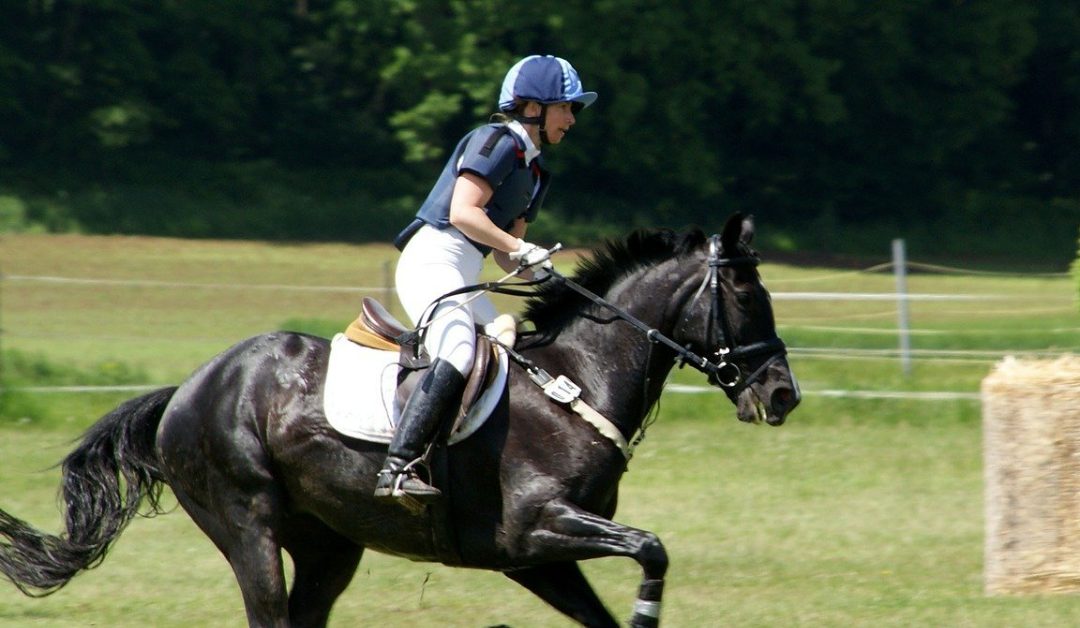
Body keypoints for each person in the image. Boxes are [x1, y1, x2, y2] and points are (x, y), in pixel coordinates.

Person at [374, 54, 598, 507]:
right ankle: (398, 467)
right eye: (567, 107)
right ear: (533, 106)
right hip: (433, 258)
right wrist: (520, 249)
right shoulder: (495, 141)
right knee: (457, 351)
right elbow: (463, 213)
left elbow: (502, 251)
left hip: (466, 270)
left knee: (506, 342)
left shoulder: (534, 173)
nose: (572, 120)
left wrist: (541, 272)